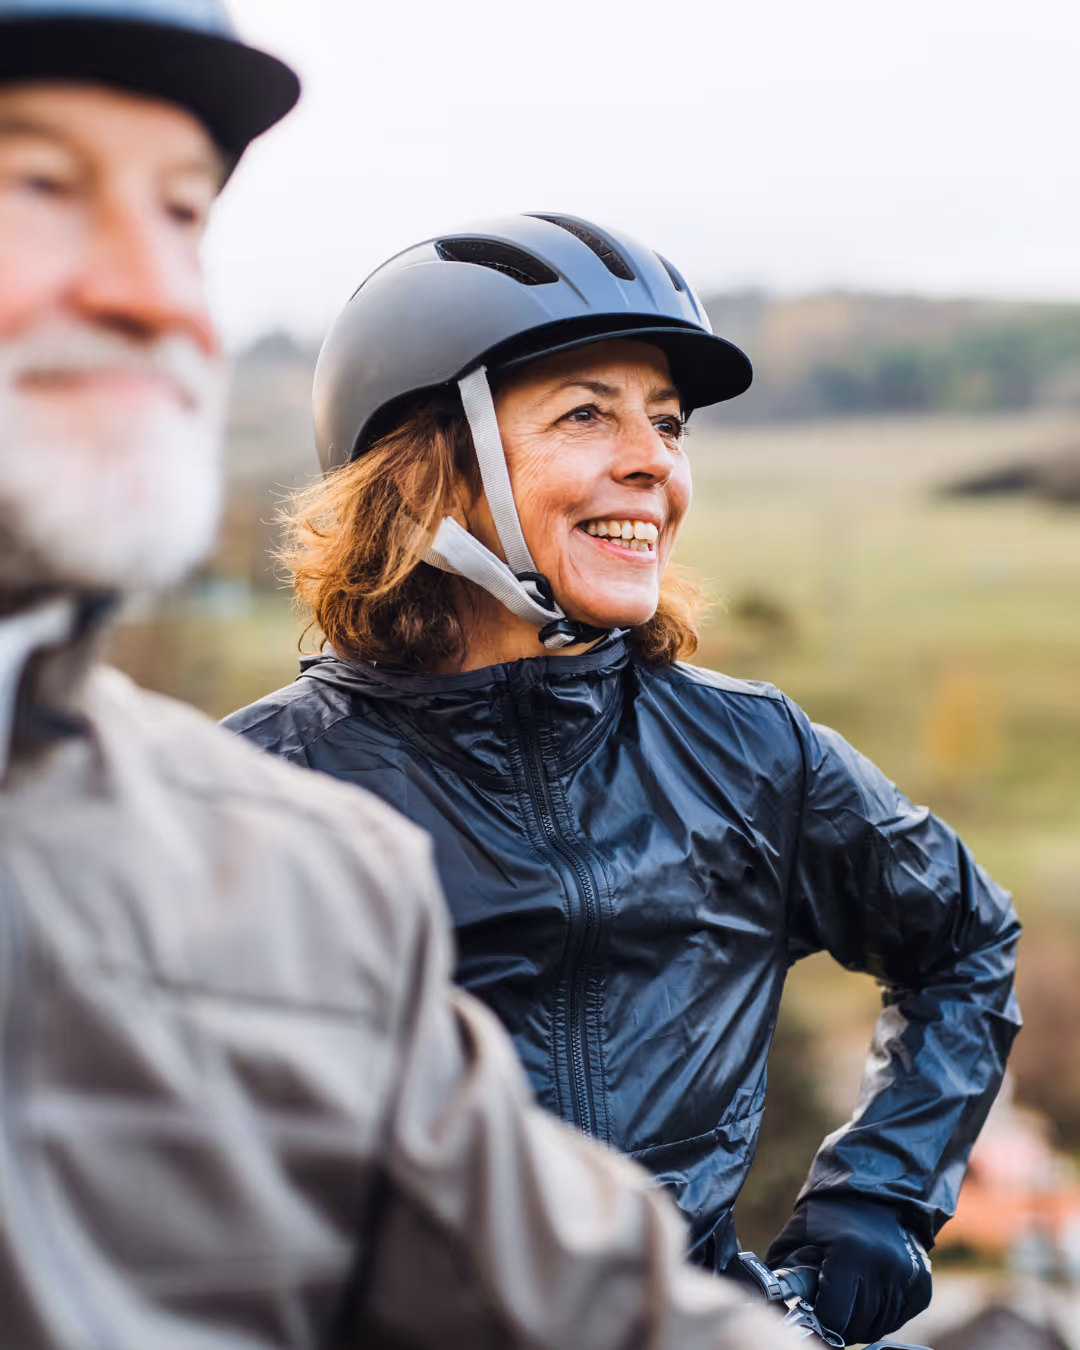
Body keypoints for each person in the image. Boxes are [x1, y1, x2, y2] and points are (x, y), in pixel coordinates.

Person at [0, 4, 797, 1347]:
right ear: (432, 476)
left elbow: (588, 1301)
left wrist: (865, 1229)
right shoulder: (290, 780)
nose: (156, 291)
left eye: (187, 214)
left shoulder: (297, 876)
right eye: (38, 184)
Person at [227, 213, 1023, 1347]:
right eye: (587, 413)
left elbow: (966, 942)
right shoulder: (246, 798)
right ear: (429, 471)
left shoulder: (757, 757)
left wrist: (878, 1204)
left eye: (666, 422)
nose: (655, 461)